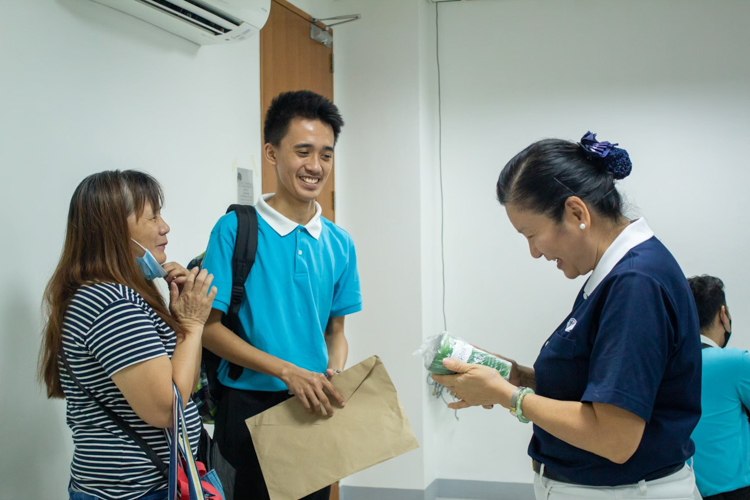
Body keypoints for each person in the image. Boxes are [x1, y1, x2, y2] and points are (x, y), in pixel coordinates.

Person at [432, 133, 703, 499]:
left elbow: (615, 437)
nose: (533, 252)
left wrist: (508, 395)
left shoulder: (635, 284)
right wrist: (514, 375)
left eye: (532, 234)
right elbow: (591, 387)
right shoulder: (617, 274)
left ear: (577, 213)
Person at [201, 90, 362, 500]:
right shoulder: (235, 230)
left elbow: (335, 332)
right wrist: (286, 370)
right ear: (272, 154)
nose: (315, 166)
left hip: (312, 408)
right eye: (303, 151)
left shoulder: (340, 243)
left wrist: (334, 372)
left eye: (326, 154)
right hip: (248, 409)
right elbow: (210, 331)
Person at [39, 170, 217, 500]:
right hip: (133, 492)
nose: (165, 227)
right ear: (115, 229)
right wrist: (192, 326)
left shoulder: (116, 294)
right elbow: (167, 409)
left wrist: (181, 324)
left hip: (148, 486)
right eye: (153, 216)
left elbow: (184, 386)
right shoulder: (110, 302)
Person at [688, 275, 750, 500]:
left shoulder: (666, 369)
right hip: (736, 493)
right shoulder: (736, 362)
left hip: (683, 489)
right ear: (723, 314)